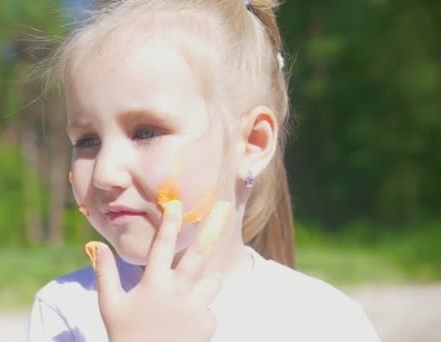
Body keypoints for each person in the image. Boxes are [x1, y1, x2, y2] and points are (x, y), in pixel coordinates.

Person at [27, 0, 381, 341]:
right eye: (87, 141)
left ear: (252, 144)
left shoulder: (324, 323)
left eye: (146, 132)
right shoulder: (65, 312)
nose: (105, 173)